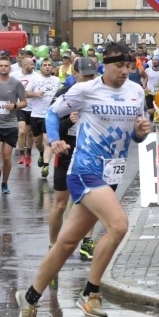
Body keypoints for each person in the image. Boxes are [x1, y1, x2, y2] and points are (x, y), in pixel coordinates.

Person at [15, 41, 151, 317]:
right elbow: (52, 114)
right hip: (85, 170)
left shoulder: (136, 92)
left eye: (129, 67)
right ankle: (90, 292)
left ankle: (29, 296)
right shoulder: (86, 90)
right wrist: (54, 140)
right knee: (118, 226)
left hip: (111, 175)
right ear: (106, 64)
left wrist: (140, 134)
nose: (125, 72)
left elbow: (136, 135)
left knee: (66, 243)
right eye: (119, 66)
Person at [48, 57, 99, 261]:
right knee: (60, 204)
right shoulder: (64, 94)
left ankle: (87, 241)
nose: (88, 80)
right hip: (67, 152)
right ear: (74, 74)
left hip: (89, 154)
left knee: (89, 201)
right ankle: (53, 244)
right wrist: (68, 120)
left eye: (91, 76)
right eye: (84, 75)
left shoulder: (98, 94)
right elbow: (49, 124)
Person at [0, 55, 27, 194]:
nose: (3, 68)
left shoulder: (16, 83)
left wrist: (14, 105)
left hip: (10, 125)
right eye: (1, 65)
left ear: (9, 67)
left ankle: (5, 183)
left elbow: (24, 102)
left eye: (6, 66)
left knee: (6, 157)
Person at [25, 57, 61, 179]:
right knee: (38, 142)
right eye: (44, 65)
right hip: (36, 114)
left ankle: (46, 166)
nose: (47, 67)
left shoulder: (56, 80)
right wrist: (35, 94)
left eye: (49, 65)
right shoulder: (35, 79)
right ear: (41, 67)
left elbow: (60, 95)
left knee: (47, 141)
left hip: (50, 115)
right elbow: (25, 93)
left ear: (52, 67)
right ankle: (41, 153)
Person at [13, 56, 37, 165]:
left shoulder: (36, 76)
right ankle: (21, 154)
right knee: (22, 132)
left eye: (33, 64)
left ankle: (28, 153)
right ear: (24, 65)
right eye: (31, 64)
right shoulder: (15, 76)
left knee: (30, 134)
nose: (33, 66)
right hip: (21, 106)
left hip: (33, 108)